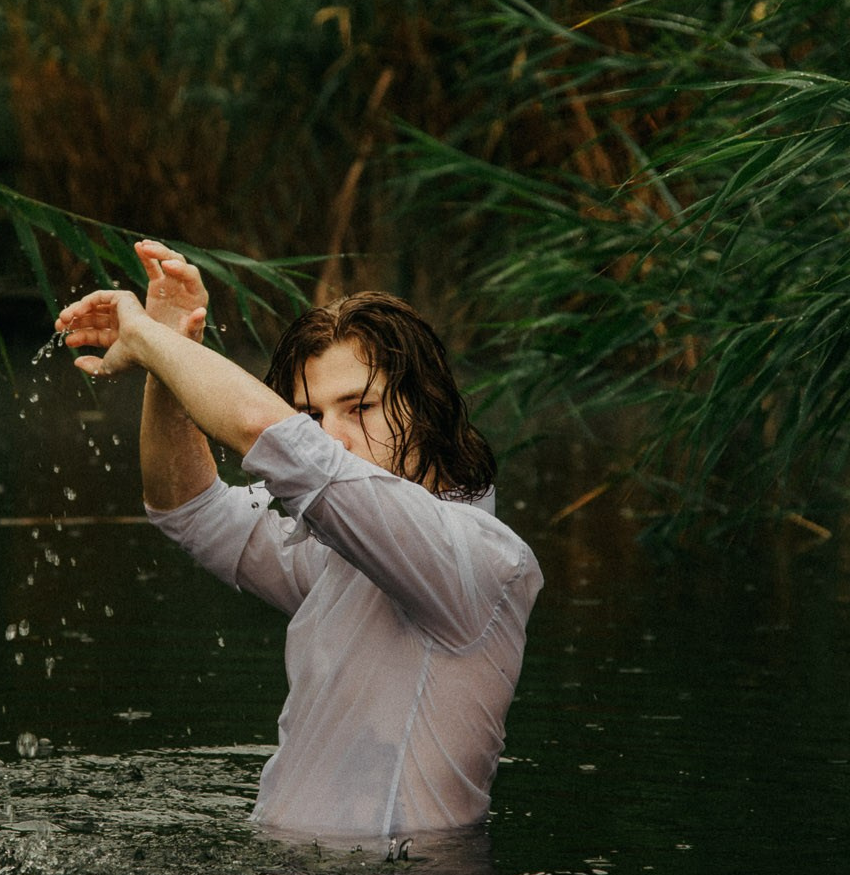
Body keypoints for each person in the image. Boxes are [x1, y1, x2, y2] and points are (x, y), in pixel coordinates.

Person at [55, 241, 542, 838]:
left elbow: (277, 438)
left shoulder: (475, 557)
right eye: (311, 416)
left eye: (359, 406)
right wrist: (167, 355)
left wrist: (155, 341)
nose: (331, 438)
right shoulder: (339, 551)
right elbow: (187, 509)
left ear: (428, 407)